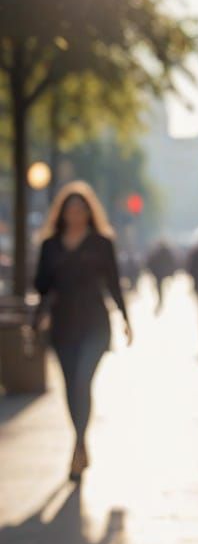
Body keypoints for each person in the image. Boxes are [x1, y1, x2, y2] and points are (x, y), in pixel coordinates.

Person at [32, 181, 132, 481]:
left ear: (89, 212)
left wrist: (127, 319)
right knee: (70, 386)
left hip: (94, 324)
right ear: (62, 213)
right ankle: (80, 441)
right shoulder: (50, 245)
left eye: (81, 209)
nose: (76, 215)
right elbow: (40, 285)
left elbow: (114, 282)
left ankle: (77, 447)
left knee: (82, 383)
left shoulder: (102, 243)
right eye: (71, 210)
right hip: (63, 325)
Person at [146, 240, 176, 314]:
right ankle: (161, 299)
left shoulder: (156, 252)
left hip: (159, 274)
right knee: (160, 288)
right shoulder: (165, 252)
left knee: (159, 288)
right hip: (161, 273)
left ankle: (161, 299)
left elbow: (150, 263)